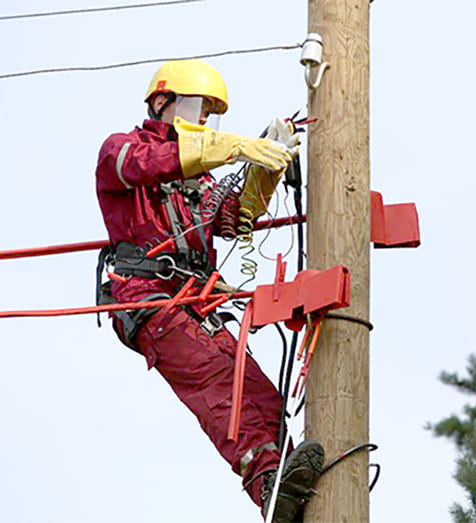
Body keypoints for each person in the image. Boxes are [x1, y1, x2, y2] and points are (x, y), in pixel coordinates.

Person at [95, 59, 324, 522]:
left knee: (259, 394)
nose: (204, 120)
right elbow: (145, 165)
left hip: (199, 304)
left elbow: (233, 216)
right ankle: (267, 483)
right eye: (198, 107)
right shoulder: (122, 150)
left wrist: (266, 168)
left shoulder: (199, 180)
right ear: (162, 103)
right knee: (222, 390)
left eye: (210, 114)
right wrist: (235, 147)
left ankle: (289, 490)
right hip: (150, 300)